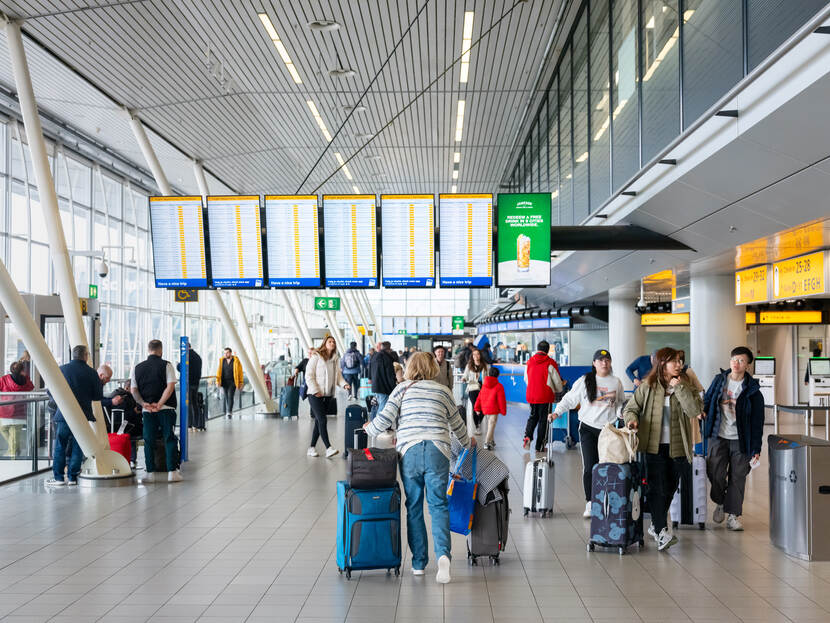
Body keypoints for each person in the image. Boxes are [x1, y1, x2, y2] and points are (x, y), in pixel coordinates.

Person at [364, 352, 474, 584]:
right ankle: (443, 555)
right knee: (438, 505)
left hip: (410, 450)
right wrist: (468, 442)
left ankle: (418, 563)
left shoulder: (401, 389)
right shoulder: (443, 391)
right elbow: (457, 425)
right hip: (438, 450)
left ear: (410, 368)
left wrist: (369, 428)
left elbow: (383, 421)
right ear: (433, 367)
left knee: (413, 506)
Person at [623, 347, 702, 550]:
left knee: (670, 487)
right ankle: (660, 531)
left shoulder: (686, 384)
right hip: (652, 446)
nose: (679, 364)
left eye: (680, 360)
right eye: (674, 361)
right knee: (656, 488)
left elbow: (694, 410)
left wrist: (681, 389)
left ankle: (657, 526)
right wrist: (632, 421)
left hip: (678, 446)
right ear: (661, 364)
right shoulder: (648, 386)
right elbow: (631, 408)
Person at [548, 349, 625, 518]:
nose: (604, 363)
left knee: (608, 468)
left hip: (608, 430)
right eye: (600, 360)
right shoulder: (585, 380)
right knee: (590, 467)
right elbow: (569, 399)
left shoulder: (616, 382)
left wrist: (621, 413)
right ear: (594, 363)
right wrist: (556, 412)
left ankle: (607, 501)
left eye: (607, 360)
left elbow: (619, 403)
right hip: (588, 428)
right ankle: (590, 502)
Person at [701, 346, 764, 532]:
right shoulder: (720, 380)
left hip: (741, 440)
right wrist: (702, 412)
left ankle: (733, 515)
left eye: (741, 361)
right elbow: (707, 400)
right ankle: (720, 501)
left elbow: (757, 423)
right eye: (734, 360)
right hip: (717, 436)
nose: (736, 364)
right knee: (715, 473)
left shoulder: (753, 391)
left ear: (748, 365)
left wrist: (756, 449)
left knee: (738, 478)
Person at [45, 345, 102, 486]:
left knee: (60, 445)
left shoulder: (61, 370)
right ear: (85, 356)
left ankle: (58, 477)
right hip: (83, 415)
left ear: (73, 355)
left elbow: (51, 391)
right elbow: (97, 396)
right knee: (78, 446)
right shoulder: (92, 373)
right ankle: (72, 477)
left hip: (64, 414)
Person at [131, 339, 182, 483]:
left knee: (148, 440)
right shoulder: (167, 365)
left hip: (148, 411)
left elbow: (133, 390)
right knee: (169, 438)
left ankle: (150, 473)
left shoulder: (137, 367)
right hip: (166, 408)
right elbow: (170, 386)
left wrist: (144, 404)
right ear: (161, 350)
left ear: (148, 350)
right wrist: (159, 404)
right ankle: (172, 472)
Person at [306, 335, 350, 458]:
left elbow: (338, 377)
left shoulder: (335, 359)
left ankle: (311, 448)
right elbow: (309, 375)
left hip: (328, 395)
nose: (332, 343)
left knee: (318, 422)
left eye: (334, 342)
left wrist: (344, 384)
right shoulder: (316, 357)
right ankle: (328, 448)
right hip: (314, 395)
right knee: (322, 420)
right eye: (330, 341)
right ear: (325, 343)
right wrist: (315, 390)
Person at [523, 340, 563, 452]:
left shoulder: (530, 361)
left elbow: (526, 378)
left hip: (532, 395)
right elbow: (557, 381)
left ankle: (527, 436)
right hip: (545, 396)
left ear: (537, 348)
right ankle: (540, 446)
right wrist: (559, 390)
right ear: (547, 350)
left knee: (533, 417)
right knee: (544, 420)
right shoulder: (550, 362)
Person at [0, 361, 35, 458]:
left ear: (11, 369)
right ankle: (14, 450)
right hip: (20, 410)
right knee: (15, 435)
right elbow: (31, 387)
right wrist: (26, 377)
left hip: (5, 410)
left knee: (3, 429)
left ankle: (13, 453)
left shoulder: (4, 379)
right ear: (22, 370)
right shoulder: (25, 380)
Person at [474, 367, 506, 450]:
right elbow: (501, 400)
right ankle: (486, 442)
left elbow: (479, 397)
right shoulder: (499, 386)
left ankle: (492, 441)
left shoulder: (484, 385)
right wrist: (503, 410)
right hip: (494, 409)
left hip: (486, 409)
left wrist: (477, 408)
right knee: (491, 425)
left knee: (491, 425)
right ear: (497, 375)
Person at [461, 349, 489, 433]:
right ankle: (477, 425)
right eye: (474, 355)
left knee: (483, 407)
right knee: (475, 406)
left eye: (477, 354)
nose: (476, 356)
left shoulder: (485, 366)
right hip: (473, 388)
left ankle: (479, 421)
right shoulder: (469, 366)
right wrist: (464, 378)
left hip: (483, 388)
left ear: (480, 355)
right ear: (472, 357)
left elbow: (488, 377)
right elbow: (465, 375)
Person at [177, 345, 203, 431]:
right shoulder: (197, 356)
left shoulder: (186, 356)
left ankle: (189, 425)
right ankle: (196, 425)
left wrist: (178, 364)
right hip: (195, 383)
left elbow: (181, 368)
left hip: (187, 383)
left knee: (187, 404)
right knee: (194, 403)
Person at [370, 341, 397, 414]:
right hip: (384, 388)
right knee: (382, 407)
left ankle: (376, 422)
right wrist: (394, 387)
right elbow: (390, 375)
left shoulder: (374, 356)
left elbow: (370, 369)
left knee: (378, 405)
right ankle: (379, 424)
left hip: (376, 386)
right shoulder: (387, 358)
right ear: (389, 348)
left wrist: (370, 379)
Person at [215, 347, 243, 418]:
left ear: (230, 353)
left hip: (233, 382)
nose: (225, 354)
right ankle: (229, 410)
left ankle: (229, 411)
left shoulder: (236, 360)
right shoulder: (222, 360)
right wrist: (217, 380)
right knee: (226, 397)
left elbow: (240, 372)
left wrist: (240, 382)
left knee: (230, 396)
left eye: (227, 353)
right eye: (224, 353)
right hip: (224, 382)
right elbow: (219, 371)